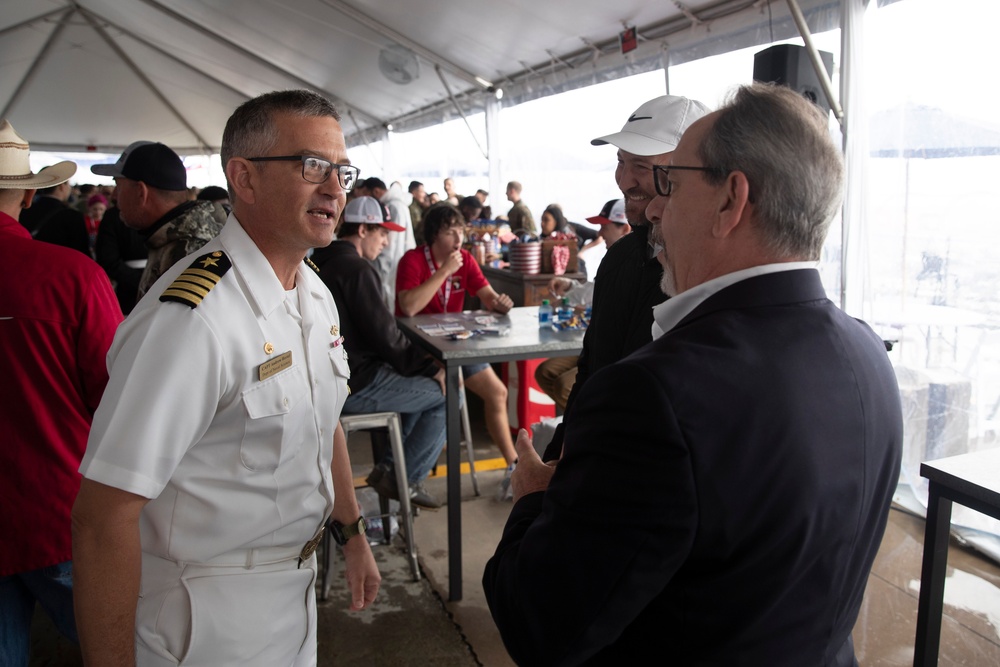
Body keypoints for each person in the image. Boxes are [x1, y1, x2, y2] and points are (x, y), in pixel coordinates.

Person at [483, 83, 904, 665]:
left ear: (732, 200)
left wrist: (532, 503)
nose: (653, 208)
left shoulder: (652, 394)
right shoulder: (868, 355)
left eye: (670, 185)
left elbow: (540, 626)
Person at [72, 89, 380, 666]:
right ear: (244, 177)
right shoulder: (194, 319)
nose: (336, 188)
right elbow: (102, 515)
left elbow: (324, 421)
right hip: (203, 615)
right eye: (312, 166)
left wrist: (352, 532)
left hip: (293, 593)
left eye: (341, 169)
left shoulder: (313, 294)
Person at [0, 120, 122, 666]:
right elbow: (118, 397)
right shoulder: (72, 276)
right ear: (29, 192)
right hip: (59, 509)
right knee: (127, 648)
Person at [541, 94, 710, 461]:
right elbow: (591, 370)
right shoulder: (619, 256)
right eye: (621, 162)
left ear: (686, 171)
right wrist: (557, 460)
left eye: (640, 165)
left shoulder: (706, 270)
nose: (624, 180)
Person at [312, 196, 445, 509]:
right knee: (447, 392)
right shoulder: (356, 269)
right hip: (355, 381)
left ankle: (388, 468)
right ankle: (405, 480)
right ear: (362, 230)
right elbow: (386, 337)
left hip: (329, 378)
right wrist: (430, 367)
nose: (386, 242)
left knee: (417, 383)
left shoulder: (318, 260)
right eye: (382, 233)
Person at [395, 204, 519, 499]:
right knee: (452, 393)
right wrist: (445, 272)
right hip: (420, 350)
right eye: (451, 232)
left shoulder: (465, 259)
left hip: (457, 345)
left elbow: (488, 296)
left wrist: (499, 303)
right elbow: (408, 306)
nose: (459, 238)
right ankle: (410, 477)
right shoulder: (412, 260)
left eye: (461, 231)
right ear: (434, 235)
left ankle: (514, 464)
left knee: (498, 393)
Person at [92, 141, 227, 301]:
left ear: (141, 192)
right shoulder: (172, 238)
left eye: (118, 186)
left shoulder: (188, 252)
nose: (114, 196)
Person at [534, 198, 629, 410]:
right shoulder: (614, 257)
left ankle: (591, 431)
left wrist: (564, 300)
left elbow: (595, 297)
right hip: (598, 343)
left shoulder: (633, 261)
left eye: (604, 226)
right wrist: (569, 286)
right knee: (545, 373)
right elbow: (594, 291)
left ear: (625, 228)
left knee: (565, 386)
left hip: (619, 351)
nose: (600, 233)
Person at [367, 178, 417, 309]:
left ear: (376, 191)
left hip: (390, 264)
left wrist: (380, 267)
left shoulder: (393, 206)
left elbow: (390, 244)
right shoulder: (400, 204)